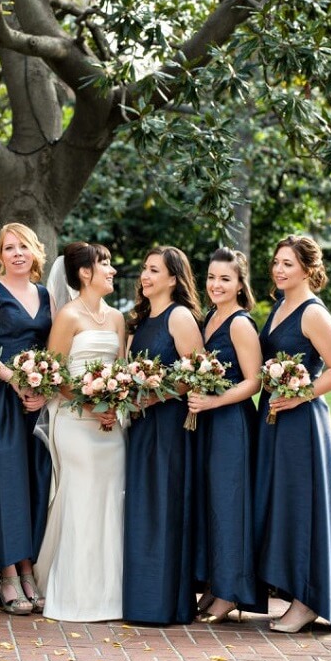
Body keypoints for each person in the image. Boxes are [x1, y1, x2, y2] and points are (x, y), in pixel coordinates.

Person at [254, 235, 331, 632]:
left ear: (308, 269)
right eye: (276, 262)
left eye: (288, 264)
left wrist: (299, 396)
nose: (278, 269)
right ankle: (294, 591)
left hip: (301, 423)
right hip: (274, 419)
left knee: (301, 506)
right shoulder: (279, 306)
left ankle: (308, 600)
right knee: (280, 505)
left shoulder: (313, 313)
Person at [33, 242, 126, 622]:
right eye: (105, 264)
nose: (112, 270)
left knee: (111, 502)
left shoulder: (117, 318)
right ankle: (76, 595)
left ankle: (112, 595)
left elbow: (121, 371)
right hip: (74, 421)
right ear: (85, 273)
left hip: (110, 425)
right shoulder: (69, 316)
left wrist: (115, 405)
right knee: (83, 499)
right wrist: (92, 406)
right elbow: (53, 377)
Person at [0, 222, 53, 614]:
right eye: (8, 248)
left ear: (35, 251)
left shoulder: (45, 294)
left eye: (23, 246)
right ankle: (5, 574)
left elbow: (54, 349)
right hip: (0, 402)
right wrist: (15, 380)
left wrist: (43, 387)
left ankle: (27, 567)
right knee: (4, 485)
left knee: (34, 484)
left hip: (35, 404)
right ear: (0, 256)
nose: (17, 253)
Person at [123, 246, 203, 625]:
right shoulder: (139, 322)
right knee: (142, 507)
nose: (145, 275)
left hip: (169, 425)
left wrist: (153, 397)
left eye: (154, 269)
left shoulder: (180, 317)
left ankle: (165, 603)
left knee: (164, 508)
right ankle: (140, 599)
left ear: (173, 278)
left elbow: (196, 376)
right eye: (145, 268)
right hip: (140, 425)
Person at [187, 247, 261, 623]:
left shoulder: (239, 324)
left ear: (239, 283)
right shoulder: (209, 318)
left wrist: (214, 402)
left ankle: (231, 591)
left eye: (225, 279)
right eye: (212, 277)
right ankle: (215, 583)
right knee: (211, 503)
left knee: (229, 505)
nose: (216, 284)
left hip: (231, 423)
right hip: (207, 424)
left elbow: (254, 381)